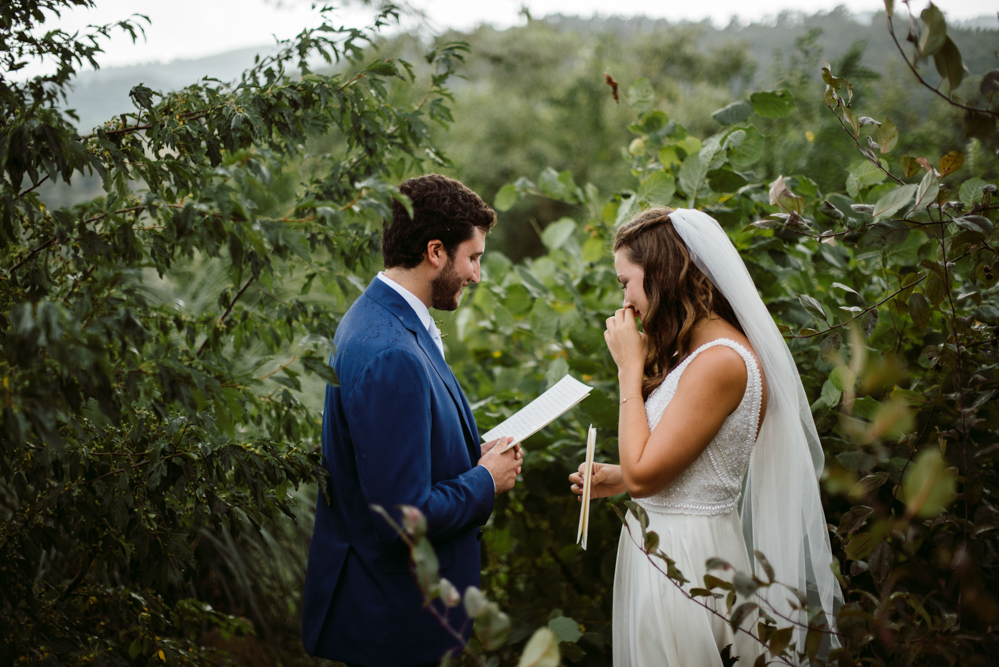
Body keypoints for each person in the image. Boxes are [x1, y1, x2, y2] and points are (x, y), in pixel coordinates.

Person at [569, 208, 841, 665]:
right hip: (671, 544)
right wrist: (618, 476)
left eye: (625, 282)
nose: (624, 299)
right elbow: (677, 466)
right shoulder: (698, 354)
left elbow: (645, 478)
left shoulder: (719, 362)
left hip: (688, 557)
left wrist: (628, 371)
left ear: (661, 273)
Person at [302, 174, 524, 667]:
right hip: (395, 621)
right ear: (435, 252)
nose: (477, 275)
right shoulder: (391, 352)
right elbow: (403, 518)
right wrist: (485, 480)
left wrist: (475, 456)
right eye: (474, 257)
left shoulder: (379, 315)